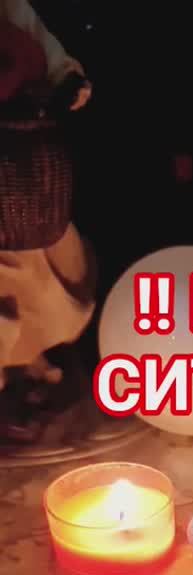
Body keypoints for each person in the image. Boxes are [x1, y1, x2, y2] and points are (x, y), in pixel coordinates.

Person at [0, 0, 93, 390]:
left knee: (39, 284)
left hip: (19, 175)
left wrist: (65, 79)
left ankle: (25, 354)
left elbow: (42, 47)